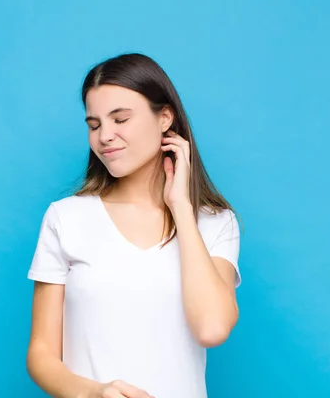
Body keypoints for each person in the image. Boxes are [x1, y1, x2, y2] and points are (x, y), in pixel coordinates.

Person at [26, 53, 241, 398]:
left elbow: (212, 328)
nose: (105, 136)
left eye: (120, 119)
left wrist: (182, 210)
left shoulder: (216, 223)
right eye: (94, 125)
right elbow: (41, 353)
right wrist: (94, 393)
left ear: (164, 119)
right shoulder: (66, 218)